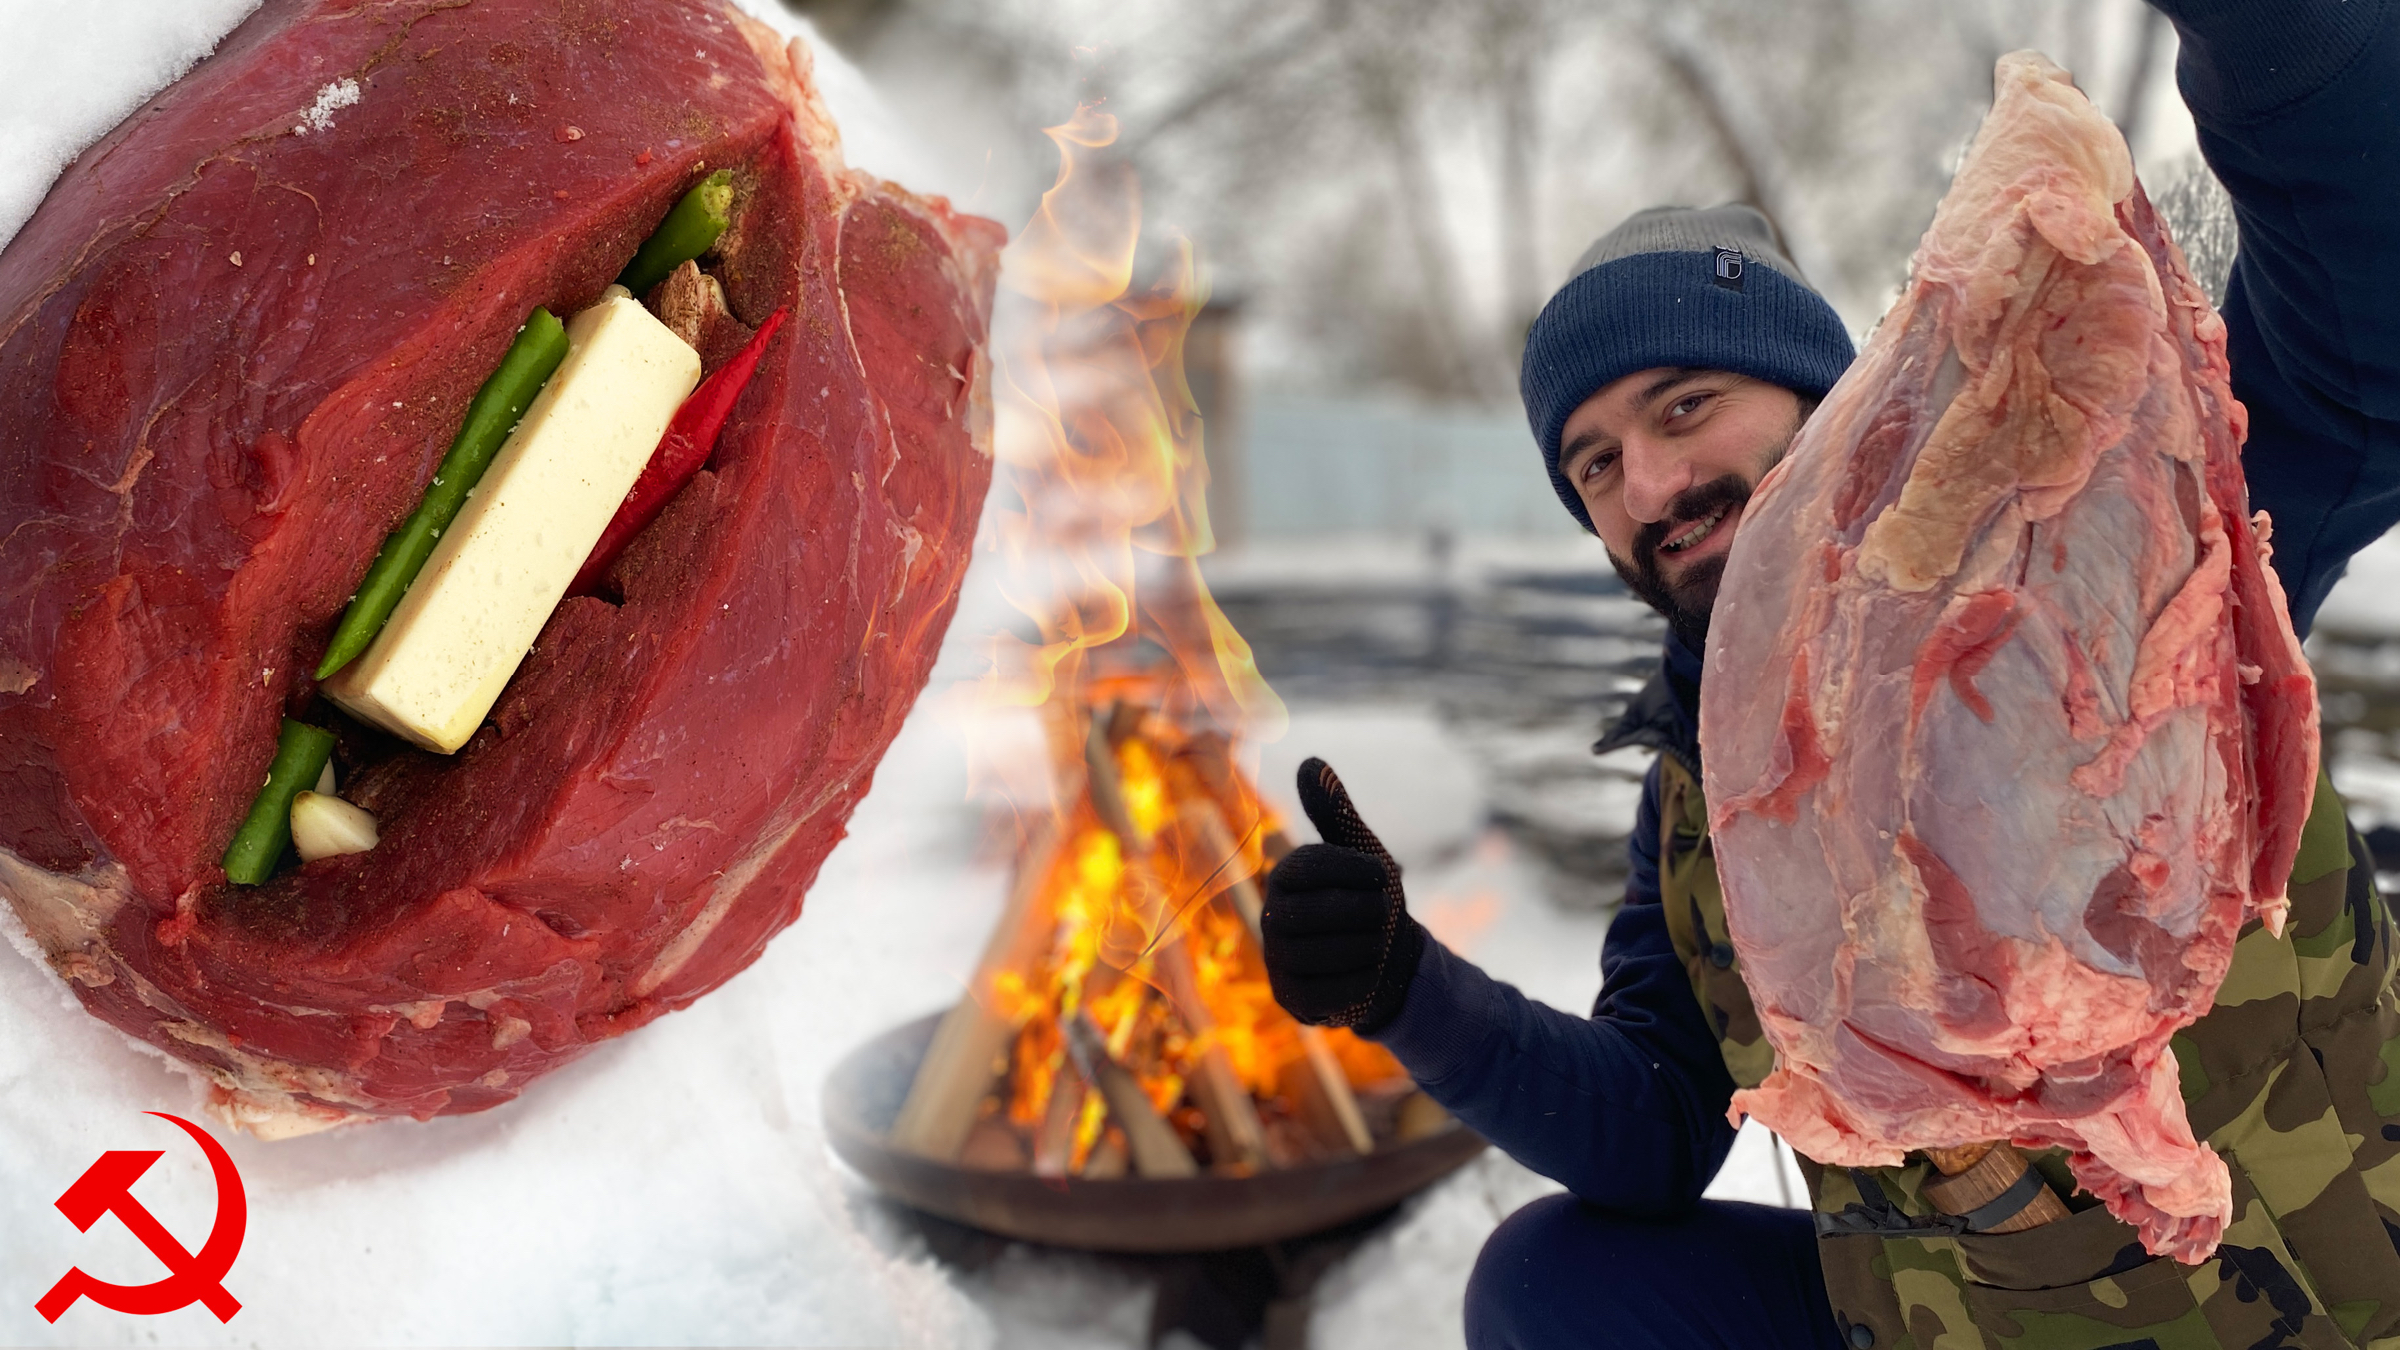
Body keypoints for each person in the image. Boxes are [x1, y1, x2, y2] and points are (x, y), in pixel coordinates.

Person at [1258, 1, 2400, 1345]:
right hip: (1930, 1320)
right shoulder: (1709, 784)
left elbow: (2359, 341)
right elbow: (1662, 1123)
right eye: (1596, 463)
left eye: (1687, 407)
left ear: (1820, 394)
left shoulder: (2087, 541)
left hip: (2276, 1311)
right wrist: (1405, 986)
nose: (1654, 486)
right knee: (1550, 1283)